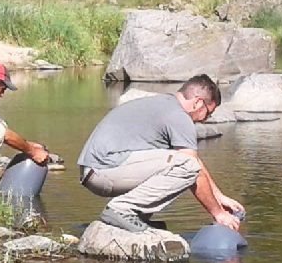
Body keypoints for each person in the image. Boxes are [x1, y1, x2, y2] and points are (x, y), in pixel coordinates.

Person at [77, 74, 244, 233]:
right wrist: (219, 214)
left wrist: (219, 196)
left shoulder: (164, 104)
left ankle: (135, 216)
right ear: (198, 103)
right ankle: (121, 210)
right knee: (185, 167)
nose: (205, 119)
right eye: (208, 113)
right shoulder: (178, 116)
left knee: (183, 164)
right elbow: (193, 169)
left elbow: (194, 162)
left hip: (97, 170)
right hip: (104, 170)